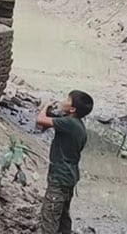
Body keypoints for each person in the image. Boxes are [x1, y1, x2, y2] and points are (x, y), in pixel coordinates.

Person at [36, 90, 93, 234]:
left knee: (50, 217)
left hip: (59, 177)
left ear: (72, 109)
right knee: (63, 216)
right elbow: (45, 126)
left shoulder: (69, 123)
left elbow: (40, 121)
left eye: (67, 100)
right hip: (69, 176)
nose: (63, 101)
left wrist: (45, 106)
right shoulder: (77, 125)